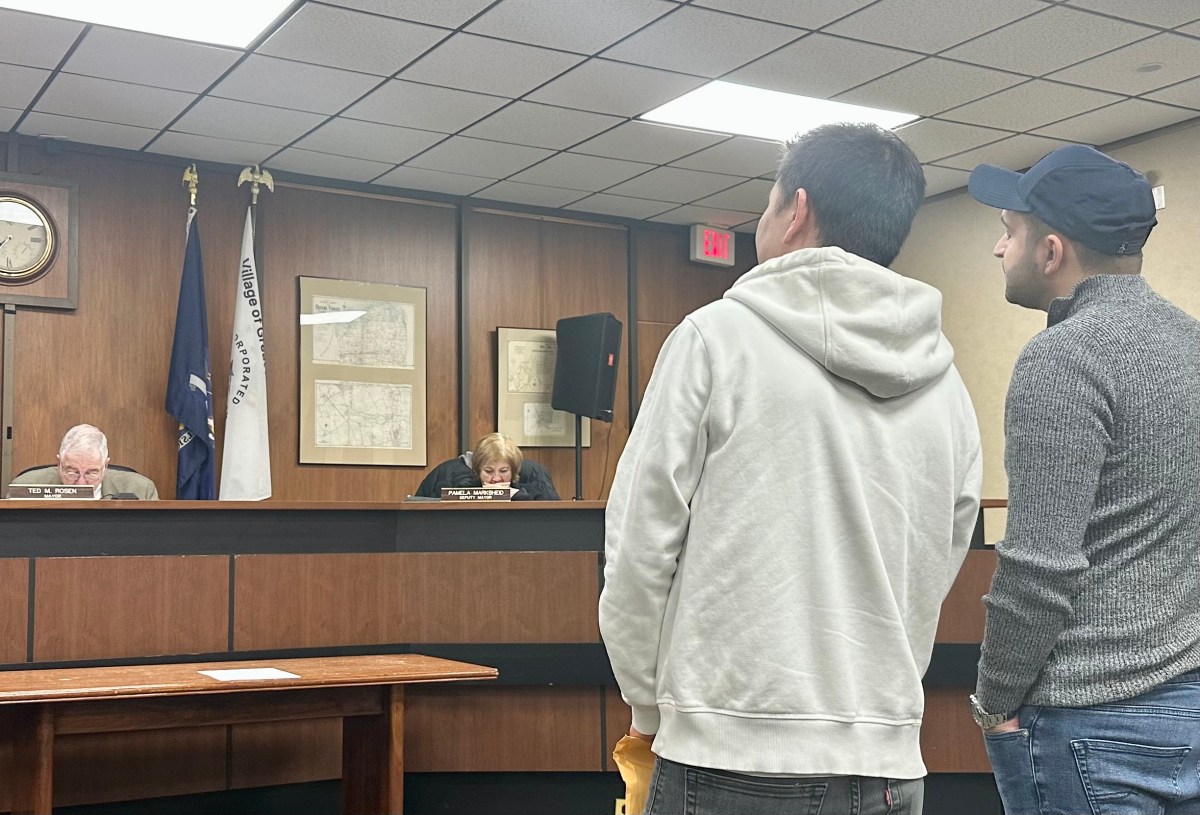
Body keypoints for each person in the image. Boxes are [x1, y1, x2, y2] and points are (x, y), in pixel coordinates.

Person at [599, 122, 982, 815]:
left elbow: (639, 544)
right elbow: (942, 552)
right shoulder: (946, 385)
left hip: (731, 748)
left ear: (796, 210)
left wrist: (647, 706)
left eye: (767, 202)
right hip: (888, 761)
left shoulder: (715, 340)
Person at [966, 144, 1200, 814]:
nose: (996, 248)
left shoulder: (1060, 359)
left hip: (1087, 725)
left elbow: (1039, 567)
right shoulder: (1193, 345)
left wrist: (993, 703)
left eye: (1008, 231)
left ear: (1051, 251)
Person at [8, 423, 159, 499]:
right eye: (72, 472)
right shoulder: (26, 487)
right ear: (59, 463)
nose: (81, 483)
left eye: (91, 473)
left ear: (105, 465)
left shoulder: (141, 490)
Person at [414, 432, 559, 501]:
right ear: (477, 469)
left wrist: (516, 496)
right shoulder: (449, 476)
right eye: (488, 471)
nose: (496, 479)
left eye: (503, 471)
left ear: (514, 470)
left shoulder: (535, 478)